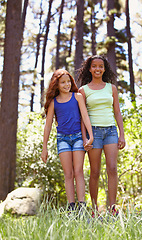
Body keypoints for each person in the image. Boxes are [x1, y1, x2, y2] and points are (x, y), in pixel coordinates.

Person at [78, 55, 126, 216]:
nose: (97, 69)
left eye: (101, 66)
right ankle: (93, 208)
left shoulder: (111, 88)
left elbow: (117, 112)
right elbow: (82, 117)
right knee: (95, 171)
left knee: (112, 168)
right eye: (94, 66)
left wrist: (122, 134)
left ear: (104, 69)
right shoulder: (83, 90)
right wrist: (85, 138)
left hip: (111, 131)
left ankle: (112, 208)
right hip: (94, 133)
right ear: (89, 69)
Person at [41, 69, 93, 212]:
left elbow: (85, 116)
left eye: (68, 81)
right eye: (63, 82)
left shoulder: (77, 97)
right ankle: (71, 209)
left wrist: (90, 136)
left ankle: (82, 208)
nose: (66, 84)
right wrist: (44, 147)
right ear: (56, 84)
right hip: (62, 139)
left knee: (78, 171)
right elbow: (48, 125)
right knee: (68, 174)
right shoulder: (53, 102)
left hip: (77, 137)